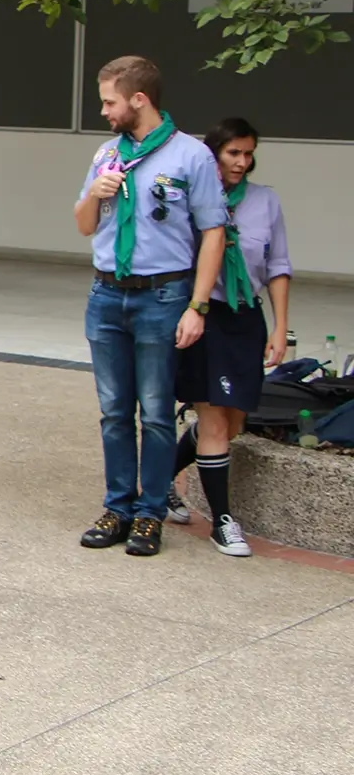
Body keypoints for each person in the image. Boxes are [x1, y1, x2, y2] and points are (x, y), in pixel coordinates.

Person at [74, 55, 226, 557]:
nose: (104, 111)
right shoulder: (106, 154)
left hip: (163, 296)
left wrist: (197, 306)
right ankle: (117, 507)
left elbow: (213, 232)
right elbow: (84, 225)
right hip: (106, 295)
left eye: (109, 102)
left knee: (157, 413)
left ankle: (149, 513)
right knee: (114, 411)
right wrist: (94, 195)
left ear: (139, 100)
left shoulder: (191, 156)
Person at [165, 117, 290, 557]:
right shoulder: (194, 198)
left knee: (232, 423)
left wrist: (280, 327)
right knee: (215, 419)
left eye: (248, 154)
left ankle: (159, 480)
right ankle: (222, 522)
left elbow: (278, 266)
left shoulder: (265, 201)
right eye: (233, 152)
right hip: (206, 315)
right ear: (213, 153)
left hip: (245, 316)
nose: (242, 162)